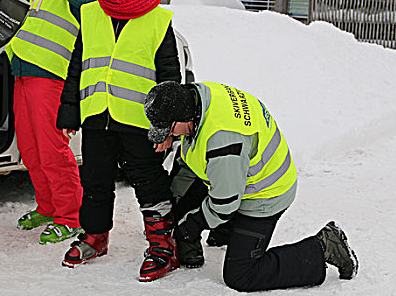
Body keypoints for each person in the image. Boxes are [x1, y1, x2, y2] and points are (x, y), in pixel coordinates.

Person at [144, 81, 359, 292]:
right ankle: (226, 231)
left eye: (170, 129)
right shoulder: (199, 97)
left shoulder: (223, 140)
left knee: (241, 275)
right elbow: (193, 162)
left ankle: (324, 246)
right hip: (242, 175)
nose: (172, 136)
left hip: (265, 194)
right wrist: (176, 201)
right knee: (202, 203)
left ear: (184, 116)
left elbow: (225, 203)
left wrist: (193, 224)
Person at [56, 0, 181, 282]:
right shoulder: (92, 12)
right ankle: (95, 237)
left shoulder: (158, 19)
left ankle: (162, 244)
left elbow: (170, 78)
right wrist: (69, 115)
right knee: (95, 180)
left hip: (138, 119)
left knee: (149, 182)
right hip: (97, 113)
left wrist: (166, 126)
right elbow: (77, 66)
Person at [6, 0, 96, 245]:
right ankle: (47, 208)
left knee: (53, 151)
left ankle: (71, 217)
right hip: (23, 74)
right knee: (31, 151)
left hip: (50, 78)